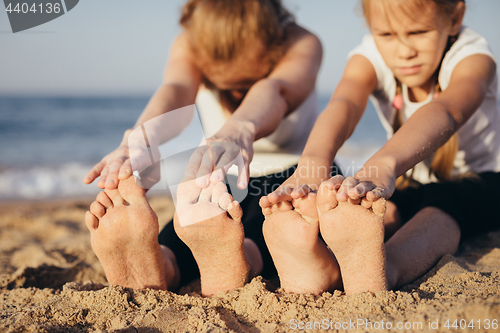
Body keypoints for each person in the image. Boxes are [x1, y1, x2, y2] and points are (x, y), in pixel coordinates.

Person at [83, 0, 340, 296]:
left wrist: (239, 128)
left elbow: (275, 89)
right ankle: (163, 264)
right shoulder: (189, 42)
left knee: (275, 226)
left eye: (245, 84)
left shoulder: (301, 42)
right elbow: (176, 90)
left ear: (273, 43)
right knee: (196, 223)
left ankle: (237, 258)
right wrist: (140, 138)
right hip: (220, 177)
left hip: (299, 174)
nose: (236, 95)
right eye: (222, 84)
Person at [261, 0, 500, 295]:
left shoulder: (473, 57)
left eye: (418, 32)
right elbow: (345, 104)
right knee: (376, 207)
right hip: (415, 180)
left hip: (485, 181)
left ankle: (386, 269)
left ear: (454, 17)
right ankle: (328, 267)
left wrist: (385, 163)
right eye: (386, 35)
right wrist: (313, 164)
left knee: (442, 202)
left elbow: (447, 111)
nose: (404, 50)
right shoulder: (369, 58)